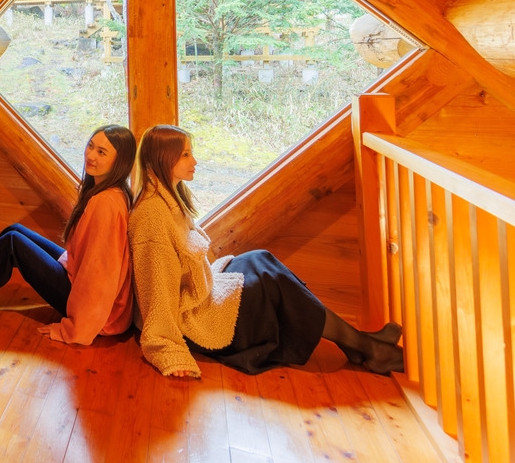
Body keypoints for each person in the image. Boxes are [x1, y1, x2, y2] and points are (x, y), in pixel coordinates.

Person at [129, 124, 403, 378]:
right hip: (191, 317)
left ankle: (356, 342)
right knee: (274, 285)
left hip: (203, 291)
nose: (195, 162)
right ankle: (365, 346)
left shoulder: (169, 198)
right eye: (186, 154)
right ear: (165, 158)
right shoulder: (152, 216)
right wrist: (167, 348)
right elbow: (157, 289)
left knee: (261, 258)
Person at [0, 125, 137, 345]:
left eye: (101, 152)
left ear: (120, 162)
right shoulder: (105, 192)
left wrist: (76, 328)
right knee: (15, 230)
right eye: (91, 146)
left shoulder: (106, 204)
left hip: (97, 311)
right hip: (77, 274)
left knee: (13, 244)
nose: (90, 155)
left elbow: (100, 276)